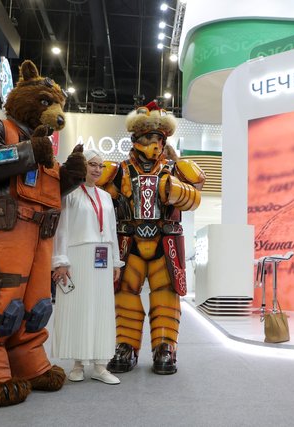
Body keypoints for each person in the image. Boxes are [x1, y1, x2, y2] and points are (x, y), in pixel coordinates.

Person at [0, 60, 87, 407]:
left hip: (39, 234)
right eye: (46, 103)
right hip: (3, 229)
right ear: (24, 98)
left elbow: (47, 191)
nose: (56, 114)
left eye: (58, 106)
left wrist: (70, 177)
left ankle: (27, 362)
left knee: (35, 305)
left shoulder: (40, 143)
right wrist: (29, 152)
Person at [97, 101, 205, 375]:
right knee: (125, 295)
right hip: (128, 242)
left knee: (166, 295)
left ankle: (165, 347)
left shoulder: (175, 168)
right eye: (146, 137)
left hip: (164, 242)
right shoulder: (117, 169)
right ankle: (126, 345)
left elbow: (196, 193)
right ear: (134, 139)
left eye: (157, 137)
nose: (152, 143)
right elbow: (96, 193)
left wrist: (176, 180)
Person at [51, 149, 124, 385]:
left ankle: (100, 366)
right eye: (92, 164)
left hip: (101, 259)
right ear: (83, 166)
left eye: (100, 166)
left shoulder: (106, 197)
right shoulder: (70, 194)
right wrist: (60, 261)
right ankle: (78, 364)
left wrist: (115, 259)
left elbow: (112, 230)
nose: (97, 169)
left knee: (102, 309)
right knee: (78, 308)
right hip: (77, 256)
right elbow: (60, 230)